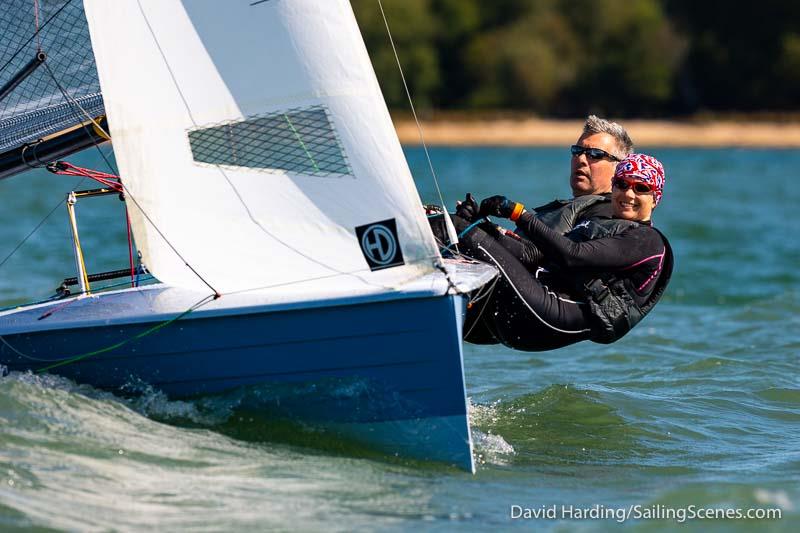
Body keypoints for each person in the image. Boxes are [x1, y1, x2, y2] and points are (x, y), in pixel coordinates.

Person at [454, 154, 673, 352]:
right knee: (455, 230)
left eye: (641, 188)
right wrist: (481, 225)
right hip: (516, 317)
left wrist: (518, 214)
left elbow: (573, 255)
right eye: (622, 184)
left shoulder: (648, 241)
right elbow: (533, 256)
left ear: (655, 198)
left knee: (457, 228)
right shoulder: (600, 223)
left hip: (548, 315)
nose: (628, 193)